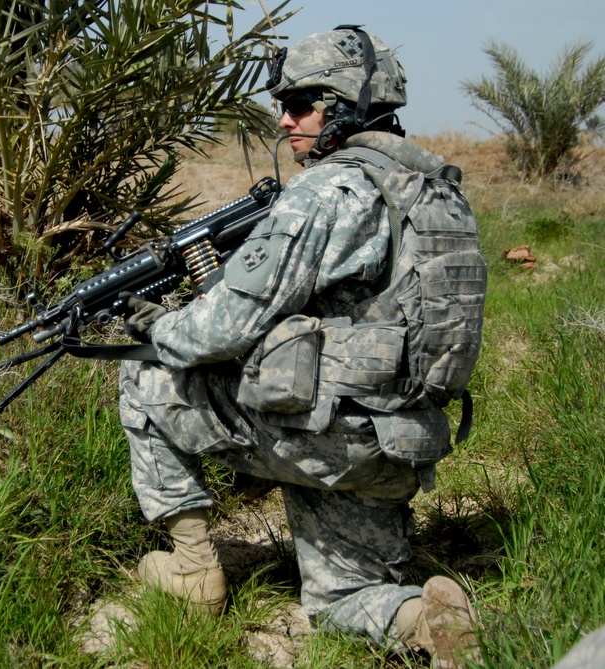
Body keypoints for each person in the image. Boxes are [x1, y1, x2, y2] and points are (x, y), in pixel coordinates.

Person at [118, 25, 484, 669]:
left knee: (147, 379)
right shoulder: (431, 185)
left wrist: (158, 328)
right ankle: (421, 617)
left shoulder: (327, 191)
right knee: (344, 598)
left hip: (330, 433)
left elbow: (224, 326)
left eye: (300, 104)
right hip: (400, 444)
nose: (284, 120)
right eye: (281, 104)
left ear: (343, 105)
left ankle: (194, 572)